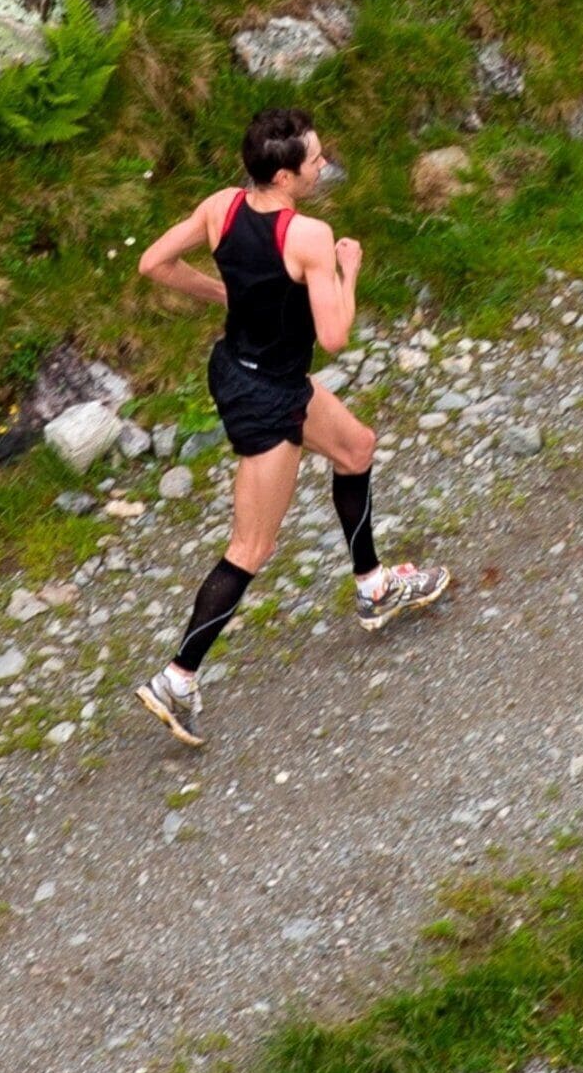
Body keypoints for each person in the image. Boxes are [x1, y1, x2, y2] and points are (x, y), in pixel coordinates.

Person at [129, 107, 450, 747]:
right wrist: (347, 268)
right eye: (315, 161)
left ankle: (374, 586)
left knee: (356, 447)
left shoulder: (221, 206)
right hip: (267, 398)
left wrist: (229, 297)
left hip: (247, 371)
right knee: (252, 548)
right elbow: (333, 336)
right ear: (284, 174)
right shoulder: (307, 236)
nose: (324, 166)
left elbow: (154, 264)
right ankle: (178, 677)